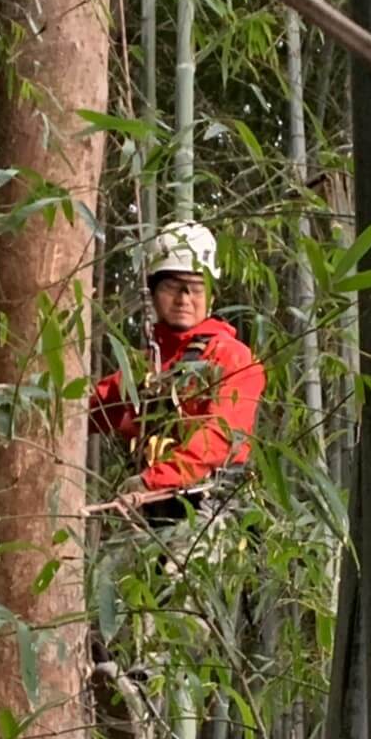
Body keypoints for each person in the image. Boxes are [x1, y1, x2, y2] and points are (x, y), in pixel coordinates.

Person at [90, 221, 265, 518]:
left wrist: (152, 480)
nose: (184, 299)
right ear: (153, 292)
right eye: (172, 287)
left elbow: (219, 439)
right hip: (153, 509)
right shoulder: (146, 366)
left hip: (209, 512)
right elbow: (89, 410)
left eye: (196, 288)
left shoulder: (232, 357)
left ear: (211, 297)